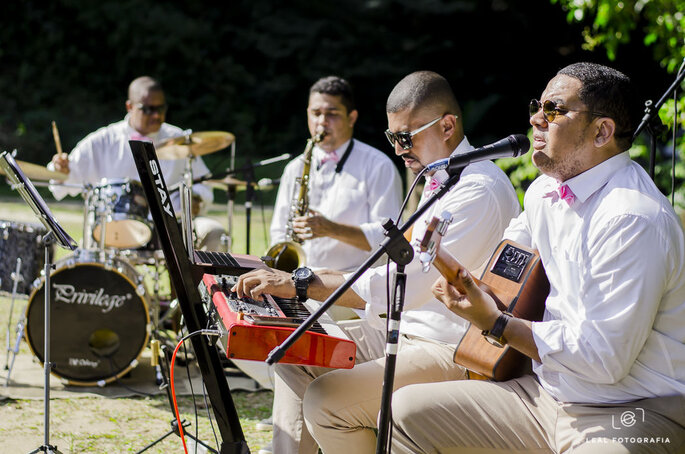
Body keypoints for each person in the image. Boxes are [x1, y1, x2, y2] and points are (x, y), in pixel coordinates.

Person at [390, 62, 685, 453]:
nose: (535, 119)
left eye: (554, 110)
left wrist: (497, 325)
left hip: (632, 408)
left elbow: (603, 360)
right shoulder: (545, 190)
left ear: (602, 131)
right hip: (547, 395)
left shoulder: (632, 218)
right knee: (407, 410)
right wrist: (461, 275)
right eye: (537, 105)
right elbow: (505, 267)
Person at [234, 70, 521, 454]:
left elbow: (408, 286)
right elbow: (391, 264)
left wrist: (304, 283)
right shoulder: (440, 177)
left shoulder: (477, 189)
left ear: (448, 126)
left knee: (326, 400)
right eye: (393, 138)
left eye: (406, 137)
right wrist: (306, 275)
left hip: (445, 345)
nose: (399, 148)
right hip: (403, 330)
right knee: (295, 351)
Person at [49, 76, 226, 251]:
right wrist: (61, 169)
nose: (156, 115)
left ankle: (193, 281)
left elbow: (204, 184)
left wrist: (196, 198)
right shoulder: (102, 141)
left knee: (215, 233)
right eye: (148, 109)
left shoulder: (180, 139)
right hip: (114, 229)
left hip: (172, 227)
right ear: (129, 107)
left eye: (161, 108)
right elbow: (62, 184)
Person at [268, 75, 403, 273]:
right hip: (299, 282)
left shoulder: (379, 165)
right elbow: (279, 231)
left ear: (352, 118)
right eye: (316, 113)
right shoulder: (294, 168)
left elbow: (388, 237)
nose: (321, 122)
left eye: (332, 114)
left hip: (354, 286)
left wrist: (331, 229)